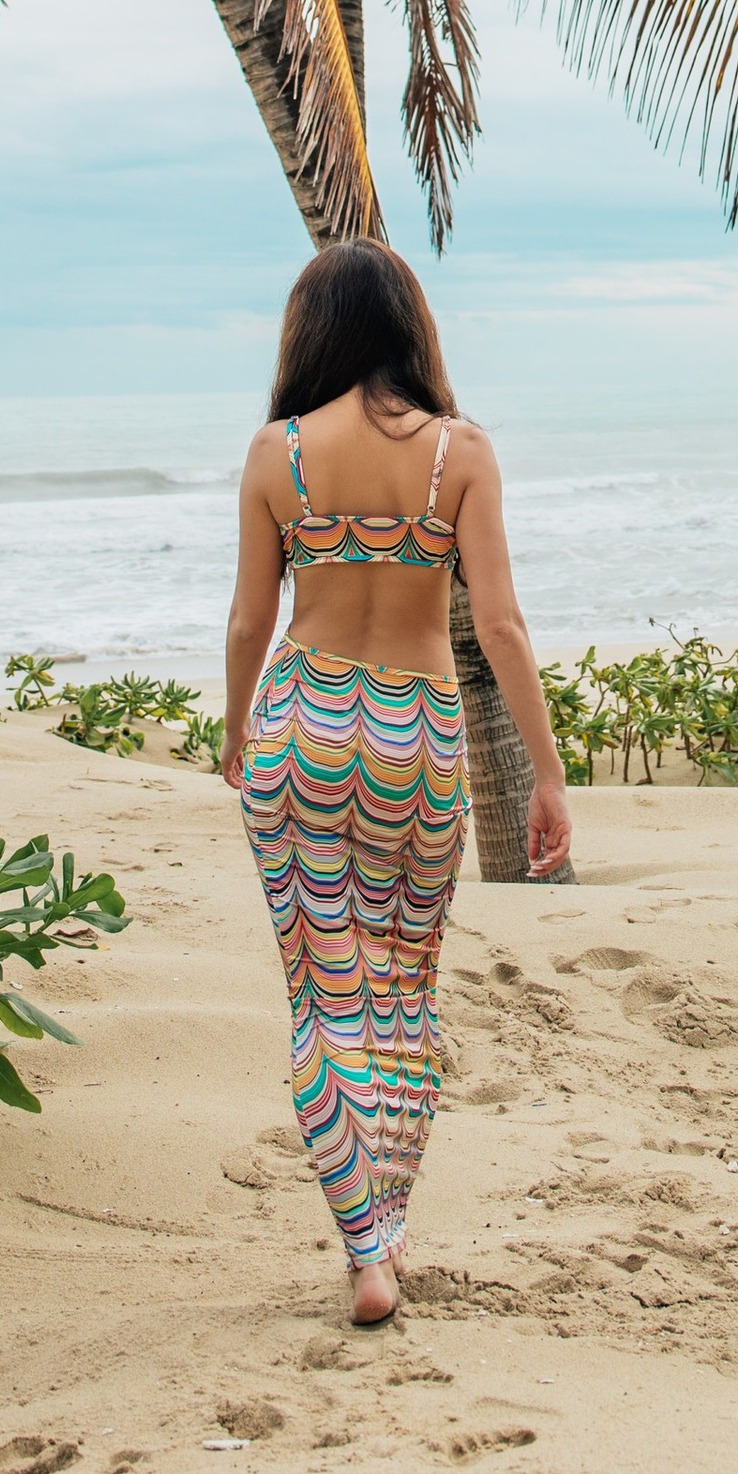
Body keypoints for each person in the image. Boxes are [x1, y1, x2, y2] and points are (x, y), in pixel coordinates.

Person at [221, 239, 573, 1326]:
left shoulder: (276, 452)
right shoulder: (457, 454)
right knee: (403, 993)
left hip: (303, 729)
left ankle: (364, 1250)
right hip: (414, 739)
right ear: (413, 330)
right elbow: (501, 625)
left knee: (324, 996)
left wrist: (237, 733)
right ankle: (391, 1225)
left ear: (309, 333)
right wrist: (547, 777)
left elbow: (249, 620)